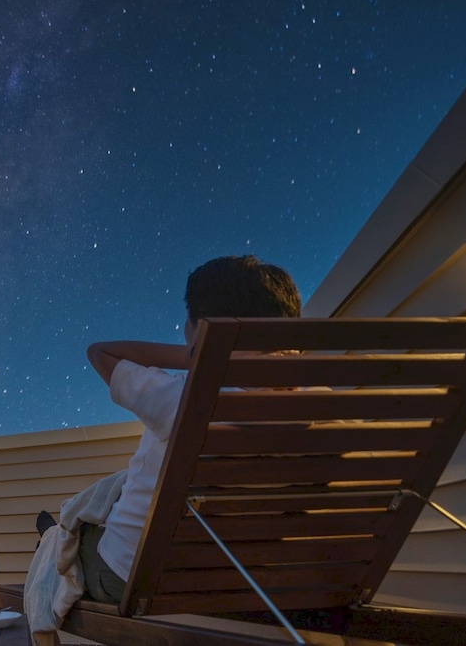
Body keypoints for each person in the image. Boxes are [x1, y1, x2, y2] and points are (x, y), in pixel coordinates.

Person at [76, 254, 301, 603]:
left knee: (74, 535)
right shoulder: (324, 412)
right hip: (252, 584)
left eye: (189, 322)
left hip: (140, 580)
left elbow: (100, 352)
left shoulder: (185, 396)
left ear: (203, 328)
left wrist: (197, 354)